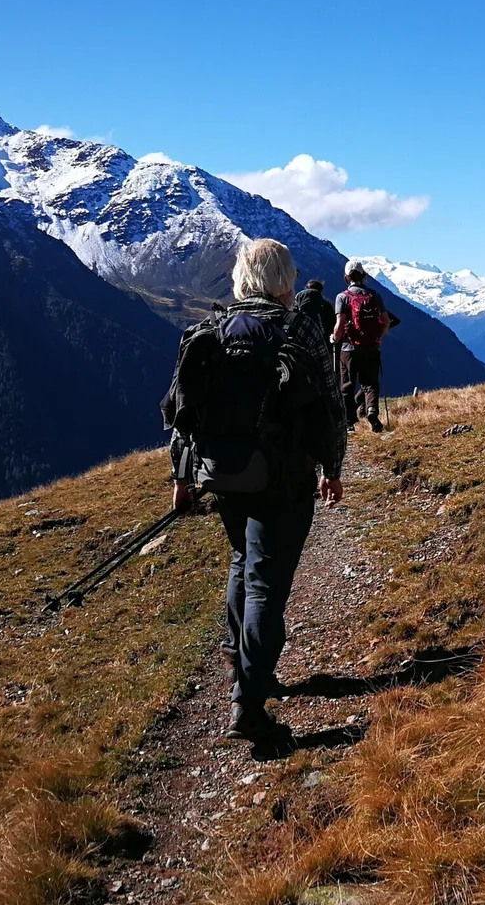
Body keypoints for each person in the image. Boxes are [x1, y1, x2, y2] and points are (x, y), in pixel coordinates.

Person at [166, 238, 345, 751]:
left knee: (241, 561)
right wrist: (331, 468)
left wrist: (182, 479)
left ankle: (239, 663)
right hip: (283, 479)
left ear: (242, 277)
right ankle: (249, 701)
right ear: (285, 280)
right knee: (266, 582)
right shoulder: (298, 328)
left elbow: (180, 414)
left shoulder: (209, 329)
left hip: (221, 476)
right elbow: (330, 407)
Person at [331, 259, 398, 432]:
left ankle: (349, 422)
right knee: (370, 382)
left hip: (349, 348)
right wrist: (378, 337)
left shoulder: (342, 297)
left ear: (346, 277)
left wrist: (334, 338)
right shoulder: (375, 296)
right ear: (364, 276)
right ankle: (371, 411)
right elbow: (385, 322)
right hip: (372, 347)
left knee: (347, 384)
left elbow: (339, 325)